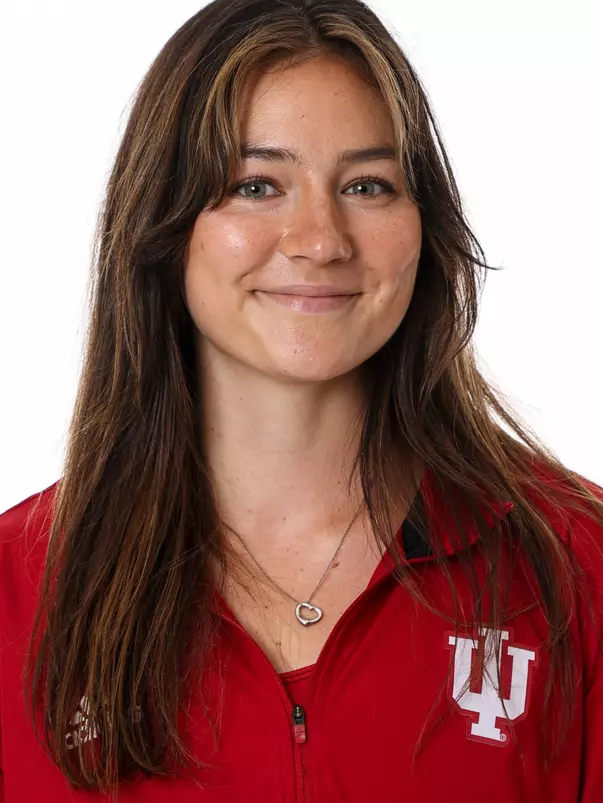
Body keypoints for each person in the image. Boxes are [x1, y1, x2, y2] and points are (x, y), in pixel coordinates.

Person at [0, 0, 602, 800]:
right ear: (163, 225)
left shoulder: (575, 562)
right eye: (255, 185)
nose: (321, 240)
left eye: (366, 185)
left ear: (424, 227)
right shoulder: (16, 590)